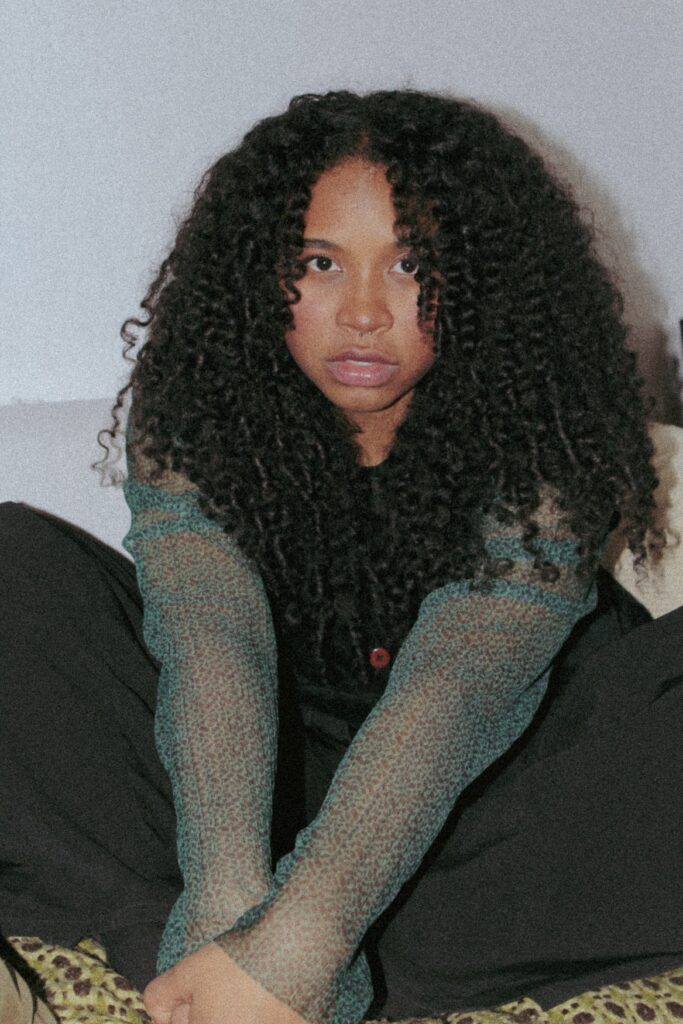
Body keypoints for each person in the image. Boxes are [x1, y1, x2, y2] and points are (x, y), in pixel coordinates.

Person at [2, 90, 682, 1024]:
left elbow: (458, 686)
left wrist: (300, 944)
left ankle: (311, 963)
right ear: (259, 272)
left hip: (506, 786)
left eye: (412, 266)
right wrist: (227, 912)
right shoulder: (200, 389)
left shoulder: (543, 418)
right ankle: (223, 958)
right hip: (249, 771)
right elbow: (210, 640)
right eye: (318, 264)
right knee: (14, 566)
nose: (363, 312)